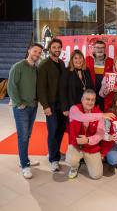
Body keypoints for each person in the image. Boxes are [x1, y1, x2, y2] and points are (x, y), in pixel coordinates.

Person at [7, 43, 43, 179]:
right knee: (22, 136)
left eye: (39, 52)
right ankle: (24, 165)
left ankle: (25, 158)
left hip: (33, 106)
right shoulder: (18, 66)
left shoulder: (36, 69)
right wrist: (18, 103)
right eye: (35, 51)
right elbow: (11, 86)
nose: (37, 54)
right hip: (22, 108)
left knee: (27, 135)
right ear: (29, 50)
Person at [37, 38, 67, 173]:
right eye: (54, 47)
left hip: (62, 104)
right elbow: (40, 88)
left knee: (60, 130)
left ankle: (57, 152)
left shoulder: (61, 63)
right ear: (49, 49)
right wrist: (45, 106)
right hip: (51, 104)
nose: (57, 50)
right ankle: (53, 159)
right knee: (53, 130)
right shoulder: (44, 64)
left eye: (59, 47)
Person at [66, 89, 106, 179]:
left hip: (91, 147)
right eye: (87, 99)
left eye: (92, 100)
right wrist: (102, 115)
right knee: (71, 160)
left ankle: (87, 160)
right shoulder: (74, 109)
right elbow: (82, 117)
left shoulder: (99, 113)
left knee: (97, 175)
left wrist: (88, 140)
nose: (90, 102)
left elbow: (101, 134)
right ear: (82, 99)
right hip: (76, 145)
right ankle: (74, 167)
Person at [60, 50, 94, 116]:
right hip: (72, 106)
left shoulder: (86, 70)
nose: (78, 60)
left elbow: (91, 88)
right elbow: (62, 91)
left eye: (80, 57)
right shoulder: (67, 71)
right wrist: (65, 108)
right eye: (75, 58)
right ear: (72, 60)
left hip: (86, 106)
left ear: (83, 59)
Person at [86, 40, 114, 110]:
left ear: (105, 49)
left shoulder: (111, 61)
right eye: (97, 47)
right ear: (94, 49)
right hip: (91, 91)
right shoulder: (87, 60)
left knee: (104, 112)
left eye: (102, 48)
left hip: (105, 93)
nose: (100, 50)